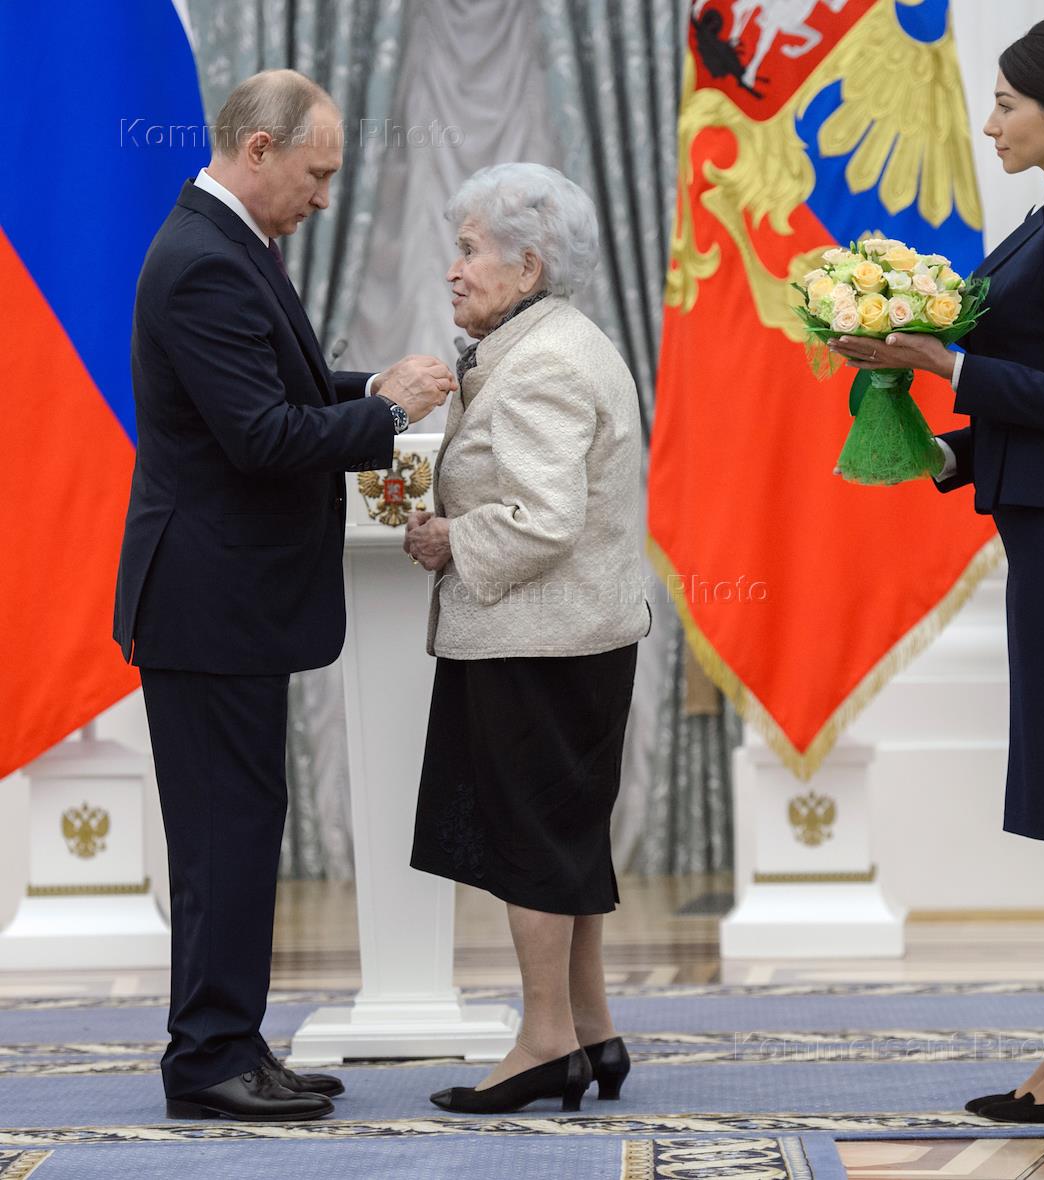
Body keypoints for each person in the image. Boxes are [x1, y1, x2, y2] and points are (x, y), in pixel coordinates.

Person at [113, 69, 456, 1122]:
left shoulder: (231, 244)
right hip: (207, 603)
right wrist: (386, 415)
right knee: (223, 835)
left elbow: (279, 392)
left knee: (242, 825)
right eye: (317, 174)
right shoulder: (203, 264)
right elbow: (261, 438)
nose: (323, 198)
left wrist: (368, 389)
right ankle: (207, 1061)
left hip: (227, 603)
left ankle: (234, 1042)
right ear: (258, 149)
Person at [829, 15, 1044, 1125]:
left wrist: (942, 360)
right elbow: (1040, 396)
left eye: (1008, 103)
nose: (991, 122)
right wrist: (942, 448)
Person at [405, 162, 651, 1114]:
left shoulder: (541, 361)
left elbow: (542, 519)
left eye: (470, 250)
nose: (454, 269)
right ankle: (590, 1028)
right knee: (565, 837)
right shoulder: (559, 340)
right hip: (572, 637)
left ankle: (545, 1041)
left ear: (529, 267)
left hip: (538, 642)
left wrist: (447, 538)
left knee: (533, 842)